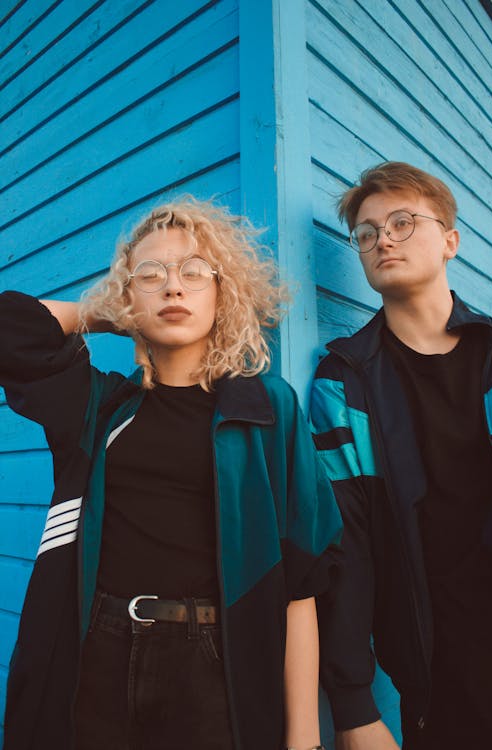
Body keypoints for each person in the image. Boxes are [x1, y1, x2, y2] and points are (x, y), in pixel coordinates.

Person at [0, 198, 342, 750]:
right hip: (97, 654)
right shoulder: (98, 405)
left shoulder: (266, 409)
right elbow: (10, 328)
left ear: (223, 292)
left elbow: (302, 581)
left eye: (194, 272)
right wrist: (106, 312)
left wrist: (303, 739)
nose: (173, 288)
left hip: (213, 663)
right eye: (151, 275)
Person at [310, 162, 492, 750]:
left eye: (401, 221)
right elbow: (346, 546)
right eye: (366, 233)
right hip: (436, 670)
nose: (382, 239)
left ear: (450, 241)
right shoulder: (344, 384)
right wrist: (353, 706)